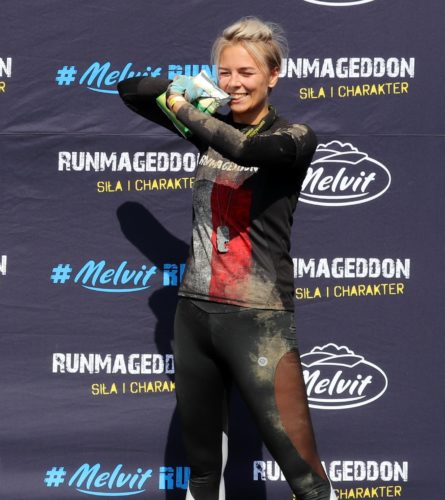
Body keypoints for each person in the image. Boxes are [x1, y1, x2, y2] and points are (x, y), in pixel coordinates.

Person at [117, 16, 336, 500]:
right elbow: (130, 91)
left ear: (274, 75)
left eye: (247, 73)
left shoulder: (295, 137)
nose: (234, 83)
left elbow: (243, 149)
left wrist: (183, 108)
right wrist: (182, 88)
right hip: (194, 315)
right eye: (225, 72)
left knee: (307, 480)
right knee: (201, 474)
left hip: (259, 320)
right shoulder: (209, 127)